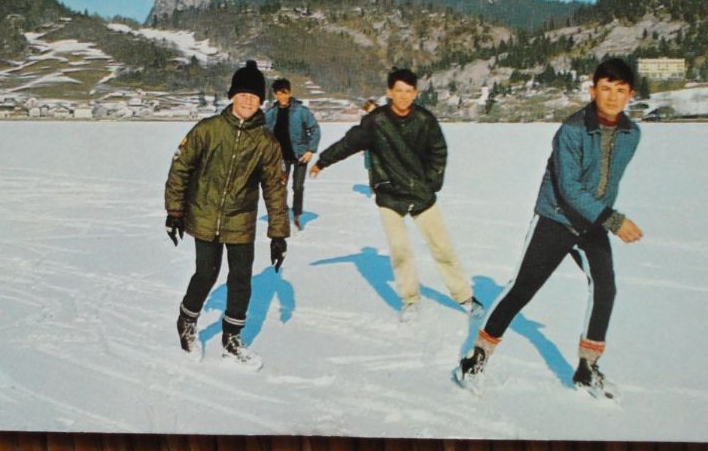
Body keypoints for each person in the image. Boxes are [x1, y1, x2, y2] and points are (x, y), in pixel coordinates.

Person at [454, 58, 645, 399]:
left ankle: (587, 369)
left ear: (631, 94)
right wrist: (613, 220)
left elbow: (606, 182)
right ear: (593, 90)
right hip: (555, 219)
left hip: (592, 222)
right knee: (522, 289)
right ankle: (476, 358)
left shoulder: (632, 134)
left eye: (620, 91)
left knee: (606, 287)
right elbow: (570, 188)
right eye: (605, 89)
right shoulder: (571, 130)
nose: (612, 97)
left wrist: (602, 216)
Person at [312, 69, 482, 321]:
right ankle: (410, 300)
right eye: (398, 91)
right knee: (400, 250)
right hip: (390, 194)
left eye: (408, 91)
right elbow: (350, 142)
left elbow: (439, 152)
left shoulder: (425, 120)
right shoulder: (376, 121)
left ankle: (464, 297)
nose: (403, 96)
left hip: (421, 194)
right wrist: (323, 161)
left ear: (415, 93)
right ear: (389, 93)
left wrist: (430, 184)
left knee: (442, 248)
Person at [165, 60, 290, 369]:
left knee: (240, 280)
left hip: (241, 220)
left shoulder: (266, 142)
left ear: (262, 101)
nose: (248, 101)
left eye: (254, 96)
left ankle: (232, 338)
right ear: (233, 96)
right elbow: (180, 168)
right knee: (206, 273)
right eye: (243, 94)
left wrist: (278, 234)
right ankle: (187, 321)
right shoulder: (208, 129)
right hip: (205, 215)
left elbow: (275, 188)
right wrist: (175, 211)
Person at [262, 77, 321, 231]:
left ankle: (297, 215)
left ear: (290, 92)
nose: (283, 97)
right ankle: (281, 213)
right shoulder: (270, 113)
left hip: (300, 155)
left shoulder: (301, 111)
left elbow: (314, 129)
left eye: (285, 93)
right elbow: (262, 132)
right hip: (280, 157)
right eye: (279, 94)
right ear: (275, 94)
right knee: (280, 186)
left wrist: (311, 150)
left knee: (298, 186)